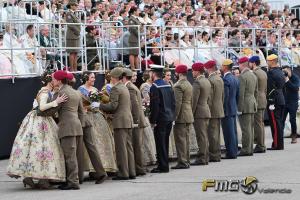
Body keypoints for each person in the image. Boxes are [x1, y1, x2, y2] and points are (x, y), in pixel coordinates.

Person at [7, 70, 67, 189]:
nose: (55, 82)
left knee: (37, 148)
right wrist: (56, 102)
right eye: (53, 80)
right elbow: (42, 107)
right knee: (41, 147)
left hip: (40, 119)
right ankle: (41, 180)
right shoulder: (44, 92)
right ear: (50, 81)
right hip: (39, 120)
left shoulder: (46, 91)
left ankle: (30, 178)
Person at [99, 67, 136, 180]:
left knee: (121, 148)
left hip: (120, 121)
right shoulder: (124, 87)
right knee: (128, 147)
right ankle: (131, 171)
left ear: (114, 77)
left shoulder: (116, 89)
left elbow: (112, 106)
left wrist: (99, 105)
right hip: (127, 119)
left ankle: (123, 173)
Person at [52, 70, 85, 190]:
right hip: (76, 126)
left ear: (59, 80)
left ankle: (72, 182)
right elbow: (82, 113)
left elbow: (52, 110)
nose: (53, 81)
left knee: (69, 156)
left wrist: (39, 110)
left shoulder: (61, 93)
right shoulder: (76, 92)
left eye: (54, 79)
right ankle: (73, 179)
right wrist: (79, 125)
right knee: (74, 155)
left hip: (67, 127)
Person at [149, 64, 175, 173]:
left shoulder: (155, 86)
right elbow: (173, 103)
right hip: (169, 117)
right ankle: (164, 164)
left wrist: (152, 121)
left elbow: (155, 105)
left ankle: (163, 166)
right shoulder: (168, 85)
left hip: (160, 118)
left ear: (153, 74)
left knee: (160, 143)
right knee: (165, 142)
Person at [123, 68, 147, 176]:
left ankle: (139, 168)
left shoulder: (129, 88)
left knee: (137, 146)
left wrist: (135, 121)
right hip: (138, 120)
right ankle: (140, 167)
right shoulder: (132, 87)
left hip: (136, 121)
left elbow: (135, 106)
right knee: (138, 145)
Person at [171, 64, 193, 169]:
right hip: (188, 114)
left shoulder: (178, 86)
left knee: (180, 140)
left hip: (181, 116)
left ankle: (182, 162)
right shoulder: (189, 84)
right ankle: (186, 160)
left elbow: (177, 103)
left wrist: (174, 117)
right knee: (186, 139)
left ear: (179, 73)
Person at [190, 62, 211, 166]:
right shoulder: (207, 81)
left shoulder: (197, 83)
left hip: (199, 113)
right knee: (204, 135)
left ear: (197, 71)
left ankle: (202, 157)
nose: (192, 73)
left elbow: (194, 100)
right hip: (206, 110)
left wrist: (191, 114)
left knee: (201, 136)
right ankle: (205, 156)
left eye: (193, 70)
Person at [237, 57, 258, 156]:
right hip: (252, 102)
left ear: (242, 65)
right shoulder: (253, 75)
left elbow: (241, 94)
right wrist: (255, 103)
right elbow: (256, 92)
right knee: (250, 128)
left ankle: (246, 149)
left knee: (245, 129)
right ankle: (250, 148)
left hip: (245, 104)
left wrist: (239, 108)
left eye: (239, 65)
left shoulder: (242, 76)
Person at [204, 60, 224, 162]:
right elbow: (222, 96)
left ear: (209, 68)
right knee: (216, 133)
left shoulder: (211, 80)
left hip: (212, 110)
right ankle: (217, 153)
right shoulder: (219, 79)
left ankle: (214, 155)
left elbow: (210, 98)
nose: (206, 71)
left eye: (206, 68)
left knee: (212, 134)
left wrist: (208, 109)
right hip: (219, 108)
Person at [220, 59, 239, 159]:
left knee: (228, 132)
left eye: (222, 65)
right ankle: (234, 151)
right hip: (233, 107)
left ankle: (231, 153)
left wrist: (222, 107)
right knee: (233, 131)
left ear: (225, 67)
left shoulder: (226, 79)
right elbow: (237, 95)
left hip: (227, 108)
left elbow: (225, 96)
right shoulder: (235, 78)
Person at [266, 54, 286, 150]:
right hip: (281, 98)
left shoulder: (271, 73)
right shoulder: (280, 72)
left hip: (274, 100)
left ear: (272, 61)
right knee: (279, 123)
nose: (267, 63)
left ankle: (277, 144)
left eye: (268, 61)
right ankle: (278, 144)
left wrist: (271, 101)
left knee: (275, 123)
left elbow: (270, 89)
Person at [249, 56, 268, 153]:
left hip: (257, 100)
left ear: (253, 63)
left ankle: (260, 145)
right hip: (263, 99)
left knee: (258, 124)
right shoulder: (263, 72)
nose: (249, 65)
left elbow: (254, 89)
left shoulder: (255, 73)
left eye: (250, 63)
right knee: (261, 123)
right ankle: (262, 144)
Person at [140, 71, 157, 165]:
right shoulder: (145, 85)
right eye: (151, 75)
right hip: (148, 110)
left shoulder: (152, 84)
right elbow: (147, 98)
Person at [282, 66, 300, 144]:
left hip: (293, 101)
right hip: (285, 101)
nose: (284, 74)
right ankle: (279, 137)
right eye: (283, 72)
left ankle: (294, 136)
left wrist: (287, 80)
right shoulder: (282, 78)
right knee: (281, 120)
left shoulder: (295, 78)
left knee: (292, 119)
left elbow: (295, 88)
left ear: (289, 70)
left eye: (285, 72)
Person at [66, 0, 81, 71]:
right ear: (71, 5)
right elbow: (70, 24)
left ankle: (75, 69)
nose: (76, 6)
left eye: (76, 5)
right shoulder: (69, 14)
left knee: (76, 53)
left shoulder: (74, 14)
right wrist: (78, 31)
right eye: (74, 5)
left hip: (75, 35)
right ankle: (72, 69)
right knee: (72, 52)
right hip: (72, 36)